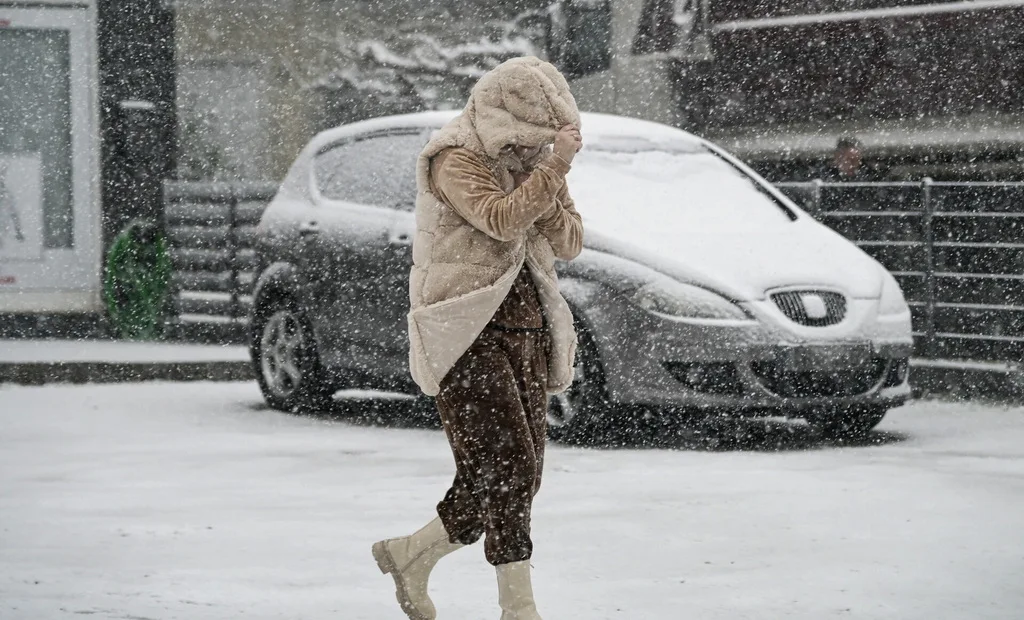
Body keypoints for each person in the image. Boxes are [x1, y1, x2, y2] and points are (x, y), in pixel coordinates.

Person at [372, 56, 584, 620]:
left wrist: (549, 179)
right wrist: (550, 172)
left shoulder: (536, 166)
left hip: (526, 327)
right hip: (463, 329)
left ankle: (412, 554)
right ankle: (519, 607)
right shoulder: (454, 159)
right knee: (509, 464)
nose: (529, 151)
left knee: (511, 472)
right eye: (523, 141)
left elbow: (570, 242)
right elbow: (498, 219)